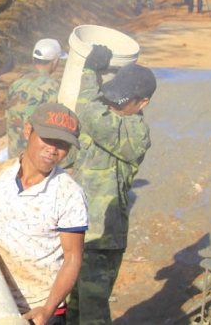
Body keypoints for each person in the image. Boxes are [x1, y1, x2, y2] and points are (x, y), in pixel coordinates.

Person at [0, 102, 88, 325]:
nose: (53, 150)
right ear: (28, 130)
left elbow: (73, 258)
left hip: (41, 310)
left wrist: (47, 310)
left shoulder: (70, 194)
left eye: (63, 144)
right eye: (47, 139)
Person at [66, 46, 157, 325]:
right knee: (70, 307)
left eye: (121, 101)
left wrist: (90, 73)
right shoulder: (109, 119)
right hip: (75, 229)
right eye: (112, 98)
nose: (114, 104)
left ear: (142, 103)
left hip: (100, 237)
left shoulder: (135, 133)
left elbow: (89, 113)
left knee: (92, 312)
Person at [7, 39, 67, 159]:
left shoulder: (16, 84)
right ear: (55, 62)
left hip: (14, 155)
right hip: (35, 159)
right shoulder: (54, 89)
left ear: (33, 60)